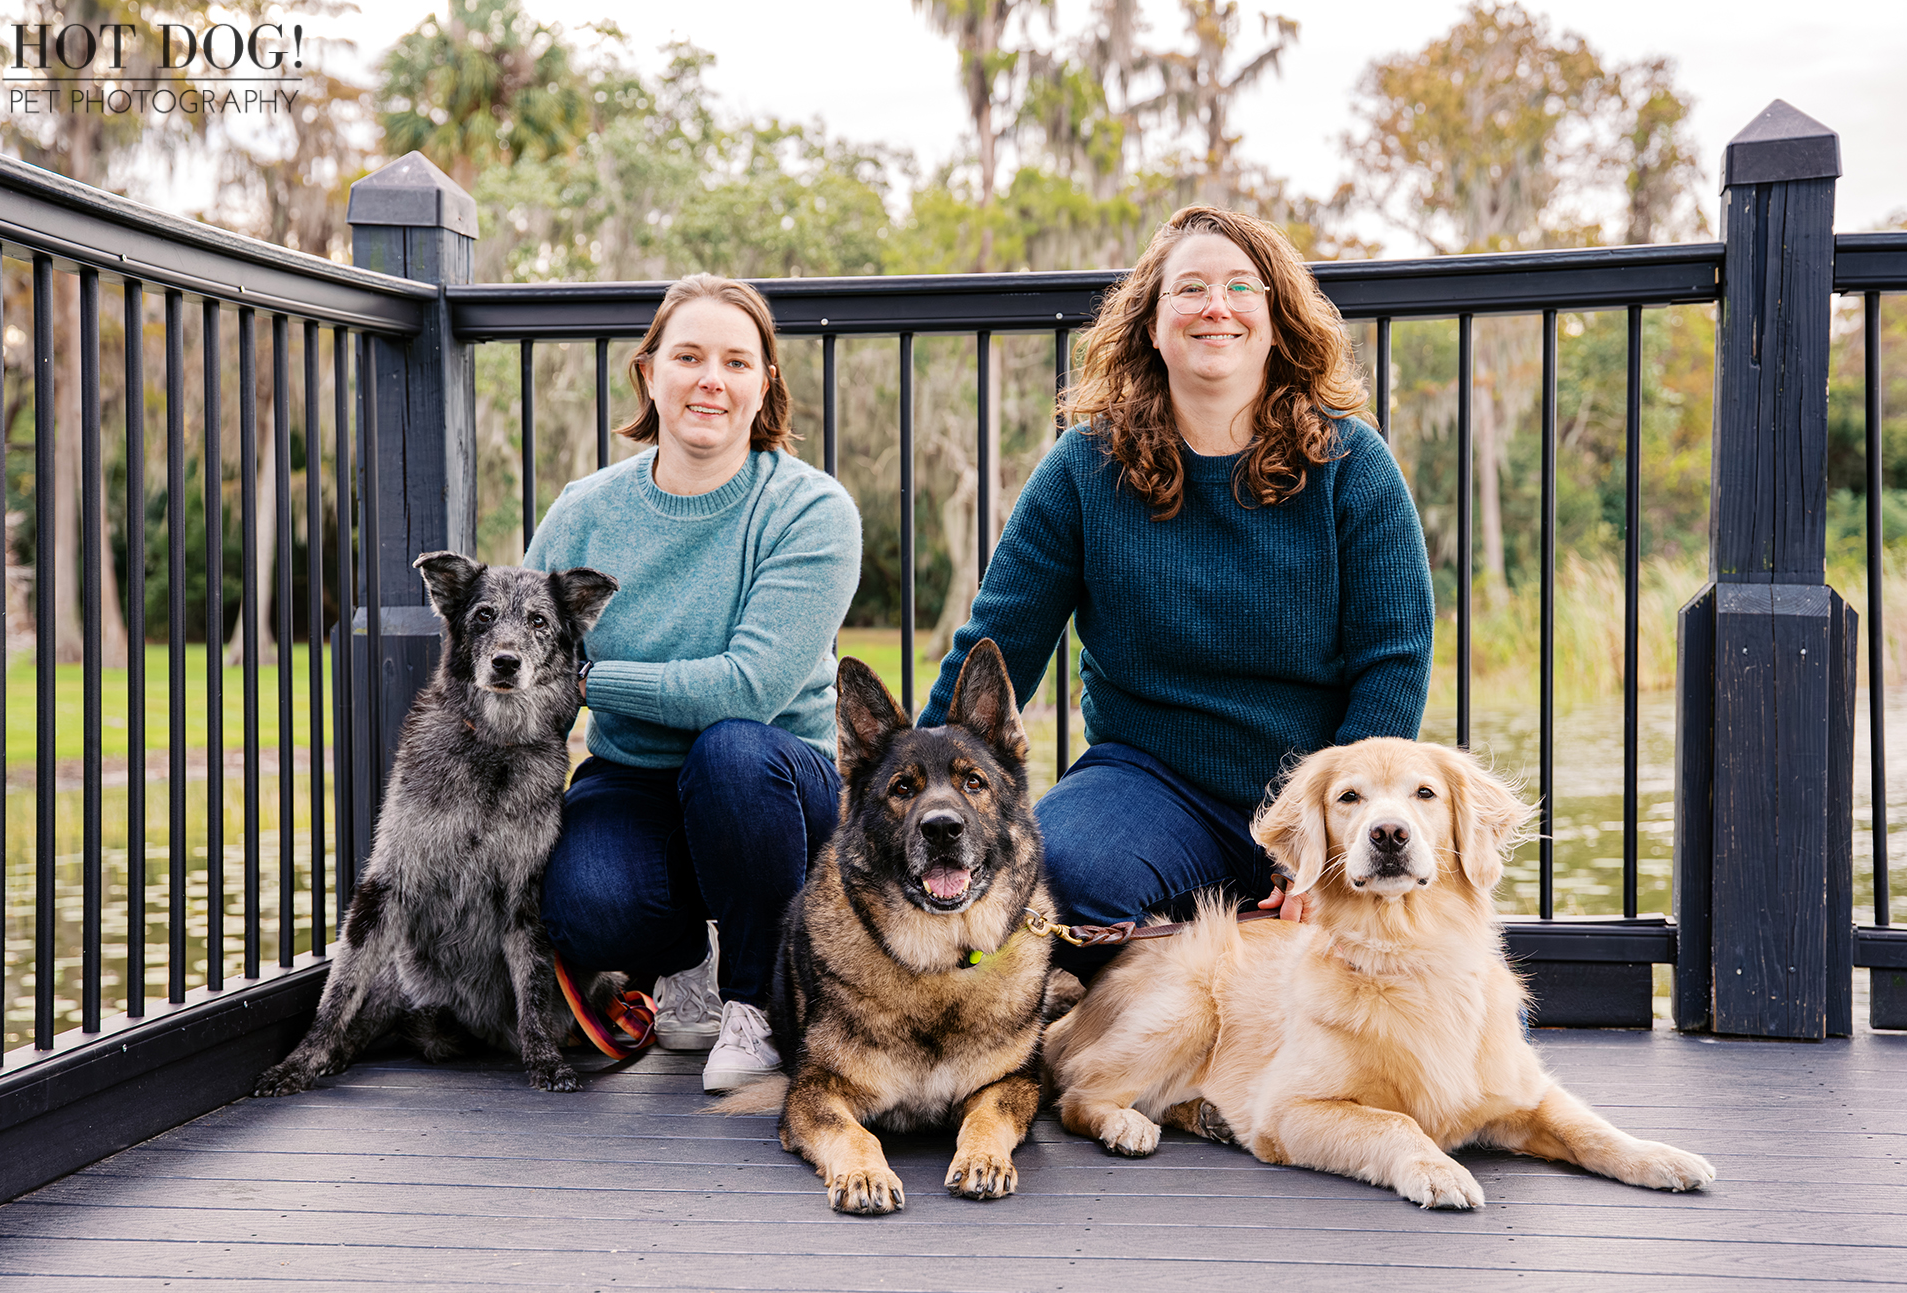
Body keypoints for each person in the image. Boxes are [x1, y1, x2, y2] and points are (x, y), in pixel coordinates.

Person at [917, 205, 1434, 976]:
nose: (1215, 306)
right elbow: (999, 642)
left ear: (1275, 318)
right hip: (1149, 782)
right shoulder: (1083, 468)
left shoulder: (1352, 463)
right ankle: (1189, 945)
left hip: (1324, 794)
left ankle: (1210, 945)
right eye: (1187, 289)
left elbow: (1393, 662)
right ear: (1152, 326)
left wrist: (1322, 837)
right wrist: (913, 779)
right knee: (1052, 882)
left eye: (1240, 288)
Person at [524, 273, 861, 1090]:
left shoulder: (811, 510)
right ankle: (686, 965)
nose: (712, 378)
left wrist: (588, 677)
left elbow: (746, 690)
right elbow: (518, 655)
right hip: (633, 775)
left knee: (729, 751)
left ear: (763, 386)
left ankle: (760, 1002)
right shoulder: (585, 510)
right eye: (689, 356)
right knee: (581, 904)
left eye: (737, 362)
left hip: (774, 778)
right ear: (650, 373)